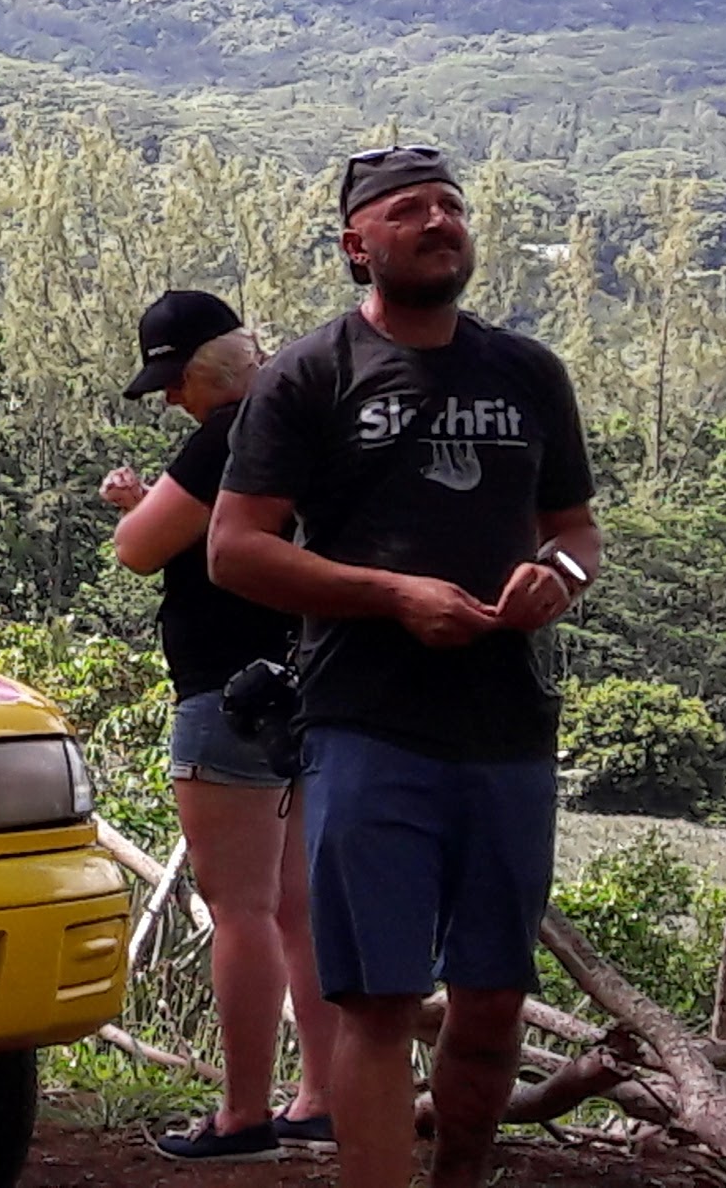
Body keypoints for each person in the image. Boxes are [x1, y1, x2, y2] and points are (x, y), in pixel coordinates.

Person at [207, 149, 603, 1188]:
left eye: (450, 206)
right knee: (378, 1003)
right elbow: (234, 550)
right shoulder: (311, 373)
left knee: (494, 996)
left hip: (508, 725)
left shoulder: (528, 373)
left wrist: (557, 577)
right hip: (366, 725)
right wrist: (392, 595)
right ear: (357, 244)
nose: (438, 222)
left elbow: (576, 531)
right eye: (409, 210)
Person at [99, 286, 336, 1158]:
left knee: (239, 909)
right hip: (312, 685)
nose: (171, 399)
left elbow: (138, 549)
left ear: (213, 373)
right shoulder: (309, 424)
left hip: (227, 696)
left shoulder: (227, 437)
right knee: (301, 906)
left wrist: (138, 508)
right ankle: (321, 1099)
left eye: (176, 382)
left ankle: (242, 1114)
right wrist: (149, 502)